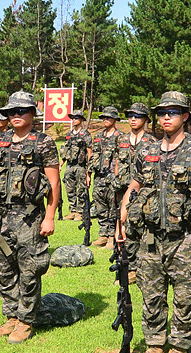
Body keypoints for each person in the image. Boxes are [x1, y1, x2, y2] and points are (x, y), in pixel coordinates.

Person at [117, 91, 191, 353]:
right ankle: (155, 346)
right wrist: (121, 220)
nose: (165, 117)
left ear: (186, 116)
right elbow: (133, 186)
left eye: (173, 112)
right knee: (151, 294)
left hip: (184, 237)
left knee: (185, 295)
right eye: (162, 112)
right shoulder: (145, 151)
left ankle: (179, 350)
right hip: (149, 237)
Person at [0, 91, 60, 343]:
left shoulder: (43, 142)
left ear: (32, 113)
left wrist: (50, 216)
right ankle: (12, 317)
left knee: (29, 269)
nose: (15, 115)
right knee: (4, 269)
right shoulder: (0, 140)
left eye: (21, 111)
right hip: (1, 217)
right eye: (11, 112)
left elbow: (54, 182)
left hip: (30, 218)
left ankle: (26, 321)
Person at [112, 103, 156, 282]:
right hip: (124, 190)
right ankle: (128, 266)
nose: (133, 119)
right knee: (124, 227)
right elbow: (117, 162)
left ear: (146, 119)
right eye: (130, 116)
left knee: (145, 229)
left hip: (144, 192)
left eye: (137, 116)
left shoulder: (152, 142)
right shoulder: (121, 139)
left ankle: (146, 266)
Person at [89, 106, 120, 247]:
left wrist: (117, 176)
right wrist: (88, 174)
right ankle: (103, 234)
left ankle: (112, 236)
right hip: (98, 176)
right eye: (104, 117)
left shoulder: (120, 137)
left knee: (113, 206)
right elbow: (93, 156)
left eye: (109, 117)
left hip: (112, 176)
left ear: (115, 119)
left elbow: (121, 157)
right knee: (100, 206)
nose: (106, 120)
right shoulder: (98, 136)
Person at [60, 109, 91, 221]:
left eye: (76, 118)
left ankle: (80, 212)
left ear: (82, 120)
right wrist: (61, 164)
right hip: (69, 165)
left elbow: (89, 151)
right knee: (69, 188)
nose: (74, 120)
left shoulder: (85, 134)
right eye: (72, 118)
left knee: (81, 189)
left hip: (80, 166)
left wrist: (89, 170)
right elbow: (66, 150)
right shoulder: (69, 134)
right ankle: (72, 210)